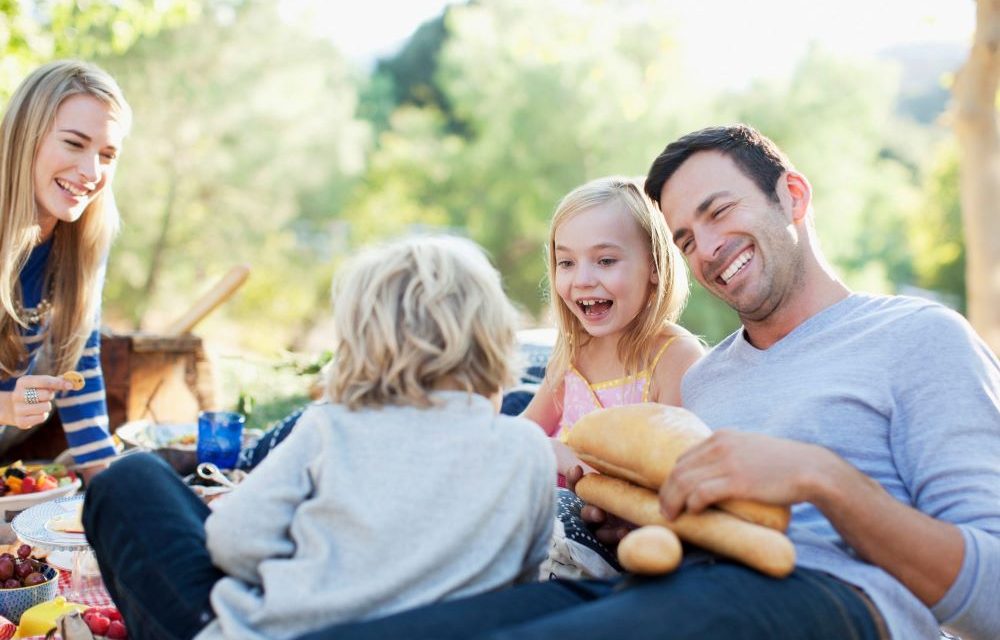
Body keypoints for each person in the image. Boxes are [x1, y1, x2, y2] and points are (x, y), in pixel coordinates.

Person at [292, 125, 999, 640]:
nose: (709, 247)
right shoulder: (709, 379)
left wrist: (825, 479)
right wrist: (638, 517)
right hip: (661, 582)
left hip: (831, 600)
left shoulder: (917, 339)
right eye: (686, 238)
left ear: (792, 195)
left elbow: (991, 600)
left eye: (719, 211)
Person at [83, 235, 557, 640]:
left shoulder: (333, 426)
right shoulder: (529, 449)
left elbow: (232, 544)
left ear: (361, 344)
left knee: (130, 479)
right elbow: (518, 577)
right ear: (494, 339)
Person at [523, 176, 703, 480]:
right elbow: (525, 431)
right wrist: (551, 451)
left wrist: (572, 463)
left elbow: (672, 474)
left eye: (605, 261)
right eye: (566, 262)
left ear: (655, 267)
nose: (581, 280)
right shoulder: (573, 351)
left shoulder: (676, 357)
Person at [0, 60, 130, 478]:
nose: (92, 173)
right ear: (26, 138)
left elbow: (80, 370)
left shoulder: (85, 242)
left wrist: (107, 493)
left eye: (107, 155)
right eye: (74, 143)